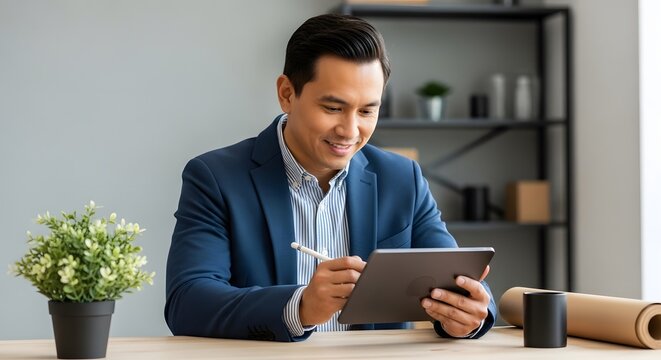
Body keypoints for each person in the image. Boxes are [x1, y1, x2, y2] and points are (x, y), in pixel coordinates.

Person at [165, 13, 496, 342]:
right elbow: (188, 302)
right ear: (287, 94)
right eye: (333, 108)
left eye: (367, 111)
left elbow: (460, 280)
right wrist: (300, 307)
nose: (350, 131)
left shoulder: (402, 179)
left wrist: (469, 314)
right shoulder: (216, 178)